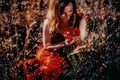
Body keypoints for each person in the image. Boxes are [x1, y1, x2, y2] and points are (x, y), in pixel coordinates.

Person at [18, 0, 87, 80]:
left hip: (71, 53)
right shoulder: (48, 22)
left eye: (70, 11)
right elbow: (47, 45)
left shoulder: (80, 19)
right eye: (63, 13)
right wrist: (64, 43)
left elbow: (83, 41)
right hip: (52, 52)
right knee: (50, 68)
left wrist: (80, 43)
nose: (68, 16)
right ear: (56, 12)